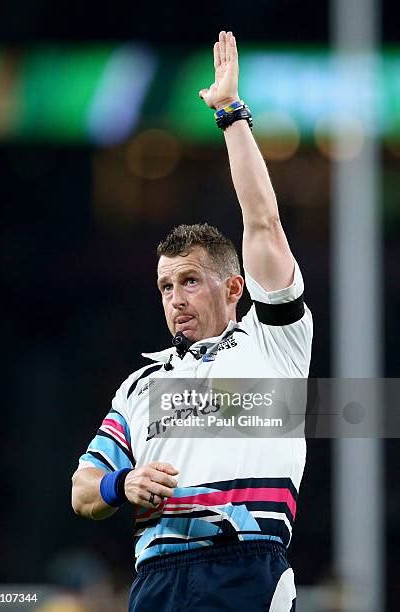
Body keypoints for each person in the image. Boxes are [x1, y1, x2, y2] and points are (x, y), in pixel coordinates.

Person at [71, 30, 313, 612]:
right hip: (156, 580)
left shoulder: (273, 345)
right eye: (164, 286)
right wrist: (121, 485)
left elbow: (263, 225)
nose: (174, 298)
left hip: (244, 570)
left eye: (189, 281)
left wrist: (231, 114)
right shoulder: (140, 386)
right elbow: (82, 490)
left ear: (234, 288)